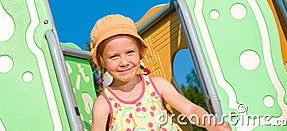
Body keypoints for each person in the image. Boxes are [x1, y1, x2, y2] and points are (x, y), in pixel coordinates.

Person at [90, 14, 231, 131]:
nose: (124, 62)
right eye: (114, 56)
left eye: (130, 52)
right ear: (102, 61)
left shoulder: (157, 85)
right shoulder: (104, 103)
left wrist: (211, 125)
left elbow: (190, 109)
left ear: (140, 52)